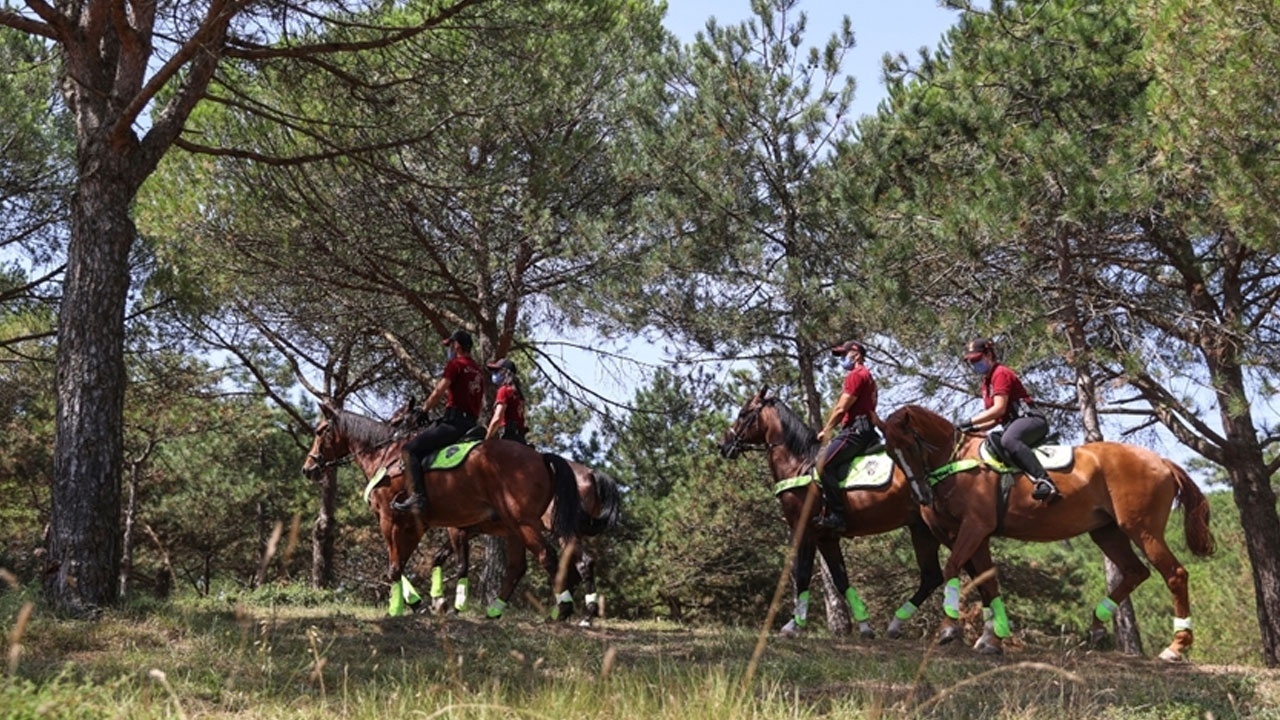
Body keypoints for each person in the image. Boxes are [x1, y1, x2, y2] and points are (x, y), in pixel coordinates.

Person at [390, 329, 484, 513]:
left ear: (457, 346)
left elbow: (439, 391)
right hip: (471, 423)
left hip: (454, 424)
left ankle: (418, 497)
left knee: (409, 450)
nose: (448, 349)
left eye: (450, 345)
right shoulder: (478, 371)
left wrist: (423, 410)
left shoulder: (455, 365)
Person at [957, 337, 1060, 502]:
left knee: (1009, 440)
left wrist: (970, 421)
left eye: (976, 359)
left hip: (1030, 419)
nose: (974, 365)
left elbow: (999, 408)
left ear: (989, 354)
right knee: (993, 440)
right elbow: (997, 419)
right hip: (1012, 423)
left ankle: (1045, 481)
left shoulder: (1001, 373)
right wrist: (975, 429)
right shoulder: (986, 384)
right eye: (970, 362)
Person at [813, 340, 881, 533]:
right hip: (867, 430)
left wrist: (827, 430)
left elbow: (842, 408)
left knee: (822, 464)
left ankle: (838, 516)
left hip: (855, 431)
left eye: (844, 354)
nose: (842, 359)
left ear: (857, 354)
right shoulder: (869, 378)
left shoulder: (856, 375)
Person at [485, 357, 529, 444]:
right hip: (520, 439)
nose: (494, 374)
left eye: (497, 371)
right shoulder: (519, 394)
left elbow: (497, 418)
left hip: (508, 436)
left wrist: (487, 438)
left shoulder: (504, 390)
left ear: (505, 372)